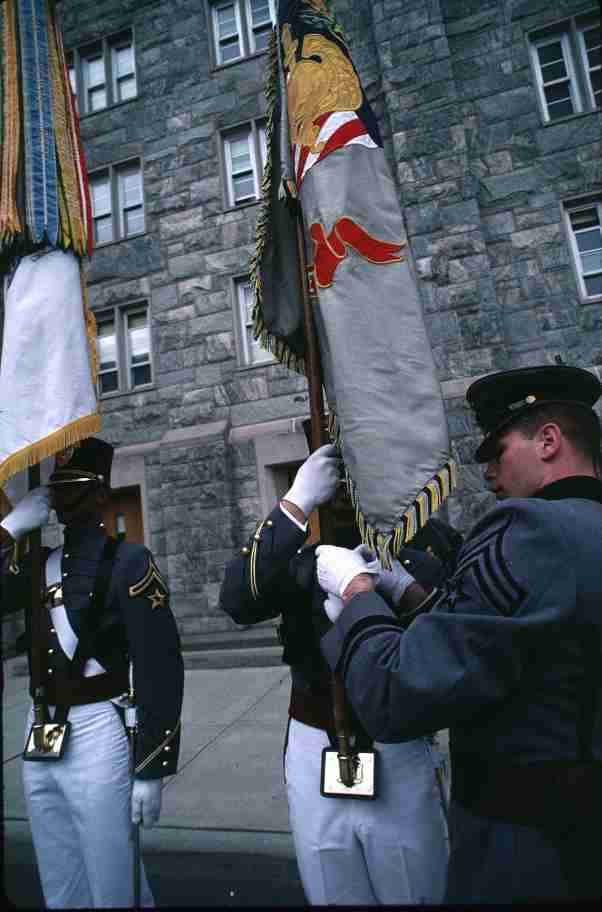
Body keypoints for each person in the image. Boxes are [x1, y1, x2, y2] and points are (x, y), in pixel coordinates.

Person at [315, 364, 602, 903]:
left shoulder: (532, 530)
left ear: (548, 441)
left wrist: (357, 595)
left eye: (497, 451)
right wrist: (408, 595)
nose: (489, 472)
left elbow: (400, 690)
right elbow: (522, 637)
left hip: (529, 850)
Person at [219, 443, 457, 906]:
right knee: (331, 887)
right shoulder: (294, 557)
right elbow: (237, 599)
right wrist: (294, 504)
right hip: (314, 741)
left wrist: (404, 590)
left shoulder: (427, 544)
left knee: (415, 886)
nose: (347, 487)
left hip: (397, 740)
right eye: (337, 473)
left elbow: (453, 644)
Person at [0, 438, 184, 908]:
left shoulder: (129, 562)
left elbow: (158, 665)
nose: (62, 498)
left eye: (74, 486)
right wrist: (10, 529)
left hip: (98, 723)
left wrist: (151, 766)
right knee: (60, 879)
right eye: (57, 487)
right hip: (40, 727)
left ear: (101, 493)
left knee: (111, 877)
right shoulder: (36, 563)